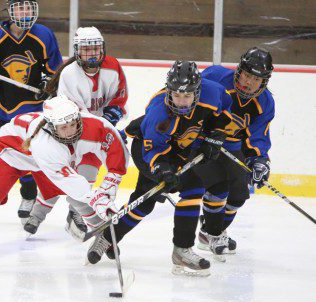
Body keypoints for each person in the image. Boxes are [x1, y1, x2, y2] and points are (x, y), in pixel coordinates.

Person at [0, 95, 129, 269]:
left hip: (41, 162)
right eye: (63, 127)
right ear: (51, 126)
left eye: (72, 124)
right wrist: (97, 197)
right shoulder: (46, 145)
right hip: (7, 153)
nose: (70, 131)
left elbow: (115, 146)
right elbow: (73, 184)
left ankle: (104, 236)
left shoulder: (89, 123)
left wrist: (111, 181)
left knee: (79, 199)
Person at [86, 61, 233, 276]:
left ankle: (182, 250)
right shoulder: (159, 112)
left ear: (198, 92)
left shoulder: (213, 93)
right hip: (150, 151)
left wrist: (216, 134)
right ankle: (108, 237)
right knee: (145, 201)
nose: (181, 102)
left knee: (193, 190)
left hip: (183, 150)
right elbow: (153, 150)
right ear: (169, 90)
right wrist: (163, 170)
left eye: (187, 96)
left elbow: (224, 111)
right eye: (176, 96)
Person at [23, 26, 128, 236]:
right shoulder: (70, 74)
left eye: (95, 48)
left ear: (102, 48)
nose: (92, 53)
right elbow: (75, 115)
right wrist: (105, 127)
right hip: (71, 131)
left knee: (87, 174)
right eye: (86, 49)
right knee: (66, 176)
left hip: (95, 131)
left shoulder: (113, 66)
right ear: (77, 51)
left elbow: (119, 97)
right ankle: (38, 214)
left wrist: (111, 119)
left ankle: (75, 215)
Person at [0, 0, 62, 220]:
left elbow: (56, 72)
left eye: (29, 7)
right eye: (20, 8)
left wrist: (47, 85)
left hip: (30, 110)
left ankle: (29, 195)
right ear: (10, 11)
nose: (25, 12)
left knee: (26, 154)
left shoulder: (44, 35)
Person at [196, 47, 275, 254]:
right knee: (217, 186)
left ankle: (210, 232)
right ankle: (214, 231)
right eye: (247, 76)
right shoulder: (215, 78)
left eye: (256, 80)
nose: (249, 82)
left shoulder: (265, 102)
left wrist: (259, 160)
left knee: (239, 194)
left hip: (232, 147)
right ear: (239, 71)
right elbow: (190, 104)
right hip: (203, 143)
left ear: (264, 81)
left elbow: (258, 135)